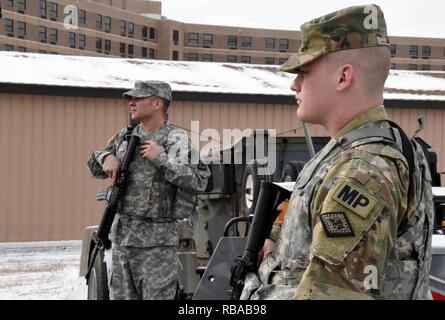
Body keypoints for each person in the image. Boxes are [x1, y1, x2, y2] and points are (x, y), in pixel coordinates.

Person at [241, 4, 434, 300]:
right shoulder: (351, 152)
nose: (294, 84)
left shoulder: (363, 169)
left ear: (343, 77)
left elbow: (333, 295)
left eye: (304, 72)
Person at [87, 80, 210, 300]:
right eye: (130, 99)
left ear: (157, 104)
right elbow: (94, 166)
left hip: (156, 245)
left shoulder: (175, 140)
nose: (131, 103)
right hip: (123, 239)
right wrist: (106, 157)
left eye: (138, 98)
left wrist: (161, 159)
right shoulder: (125, 136)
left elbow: (200, 180)